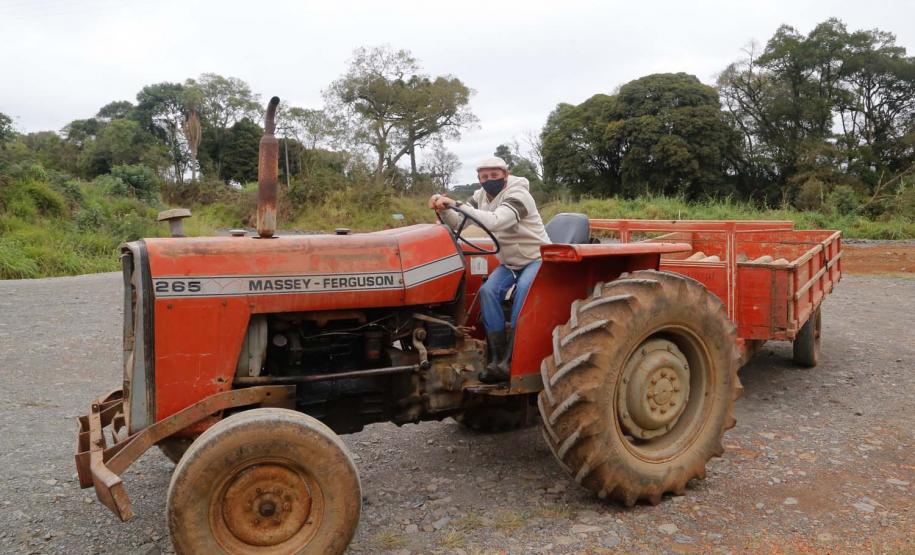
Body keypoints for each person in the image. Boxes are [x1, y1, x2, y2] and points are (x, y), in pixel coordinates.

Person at [429, 156, 550, 383]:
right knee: (487, 291)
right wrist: (444, 208)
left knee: (525, 291)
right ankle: (496, 359)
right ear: (479, 178)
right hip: (510, 263)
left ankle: (512, 360)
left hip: (536, 258)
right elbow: (459, 222)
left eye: (494, 175)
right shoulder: (480, 197)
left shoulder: (519, 195)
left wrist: (455, 203)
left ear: (505, 174)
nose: (489, 180)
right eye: (484, 176)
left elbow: (495, 221)